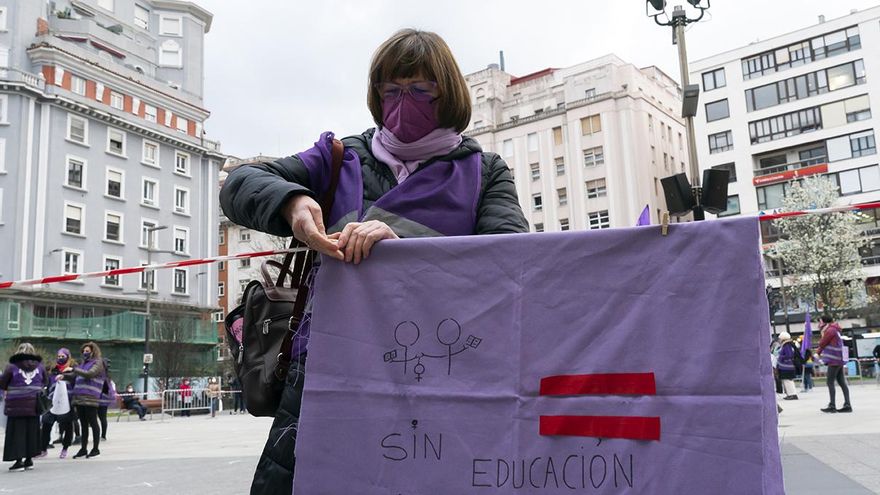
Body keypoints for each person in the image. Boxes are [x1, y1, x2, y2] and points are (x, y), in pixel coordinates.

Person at [220, 28, 527, 495]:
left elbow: (510, 264)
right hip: (328, 372)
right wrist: (294, 203)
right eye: (391, 90)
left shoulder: (485, 173)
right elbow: (240, 182)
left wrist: (400, 245)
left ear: (448, 94)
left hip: (439, 377)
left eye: (421, 90)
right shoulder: (339, 158)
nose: (404, 101)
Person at [0, 343, 47, 472]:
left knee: (17, 433)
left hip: (16, 405)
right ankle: (29, 460)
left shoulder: (11, 367)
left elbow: (3, 384)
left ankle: (18, 461)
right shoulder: (40, 367)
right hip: (34, 405)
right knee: (32, 432)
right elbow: (45, 382)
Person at [63, 342, 106, 458]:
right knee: (83, 424)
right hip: (80, 397)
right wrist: (64, 376)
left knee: (93, 422)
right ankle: (83, 448)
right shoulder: (83, 364)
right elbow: (76, 375)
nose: (85, 353)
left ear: (93, 351)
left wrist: (74, 368)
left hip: (91, 397)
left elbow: (90, 374)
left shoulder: (98, 362)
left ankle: (96, 448)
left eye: (87, 351)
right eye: (83, 351)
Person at [40, 348, 76, 459]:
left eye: (63, 356)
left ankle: (65, 447)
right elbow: (47, 383)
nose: (60, 358)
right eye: (59, 356)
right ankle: (43, 448)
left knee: (67, 426)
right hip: (52, 401)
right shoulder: (52, 370)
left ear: (68, 357)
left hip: (66, 402)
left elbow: (76, 382)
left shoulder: (73, 370)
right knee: (46, 424)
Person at [817, 315, 852, 413]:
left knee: (830, 382)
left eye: (820, 321)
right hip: (839, 360)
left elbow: (822, 343)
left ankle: (832, 405)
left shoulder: (830, 330)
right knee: (841, 382)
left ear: (824, 322)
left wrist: (822, 333)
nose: (819, 324)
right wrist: (818, 352)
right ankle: (847, 404)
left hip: (834, 360)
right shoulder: (835, 329)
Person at [776, 332, 799, 400]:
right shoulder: (788, 344)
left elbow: (789, 355)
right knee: (787, 380)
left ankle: (792, 394)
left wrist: (780, 357)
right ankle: (790, 394)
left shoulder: (786, 345)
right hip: (787, 366)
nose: (779, 339)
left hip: (786, 366)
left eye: (780, 338)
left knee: (788, 380)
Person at [97, 373, 117, 441]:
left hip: (98, 400)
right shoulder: (110, 381)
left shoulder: (100, 380)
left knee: (99, 418)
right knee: (103, 418)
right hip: (105, 401)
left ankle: (101, 435)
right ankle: (103, 435)